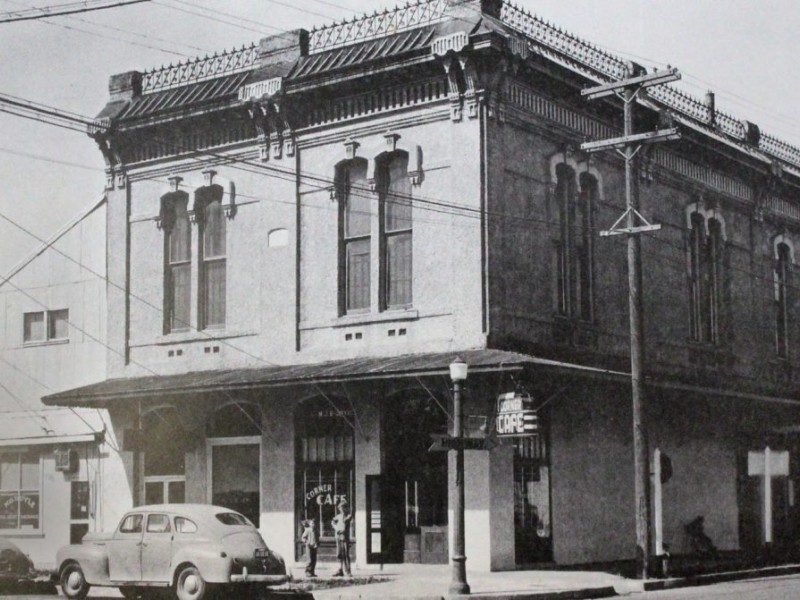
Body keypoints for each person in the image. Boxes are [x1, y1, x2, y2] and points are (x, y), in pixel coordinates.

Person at [331, 498, 352, 577]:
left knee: (345, 554)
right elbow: (332, 521)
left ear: (346, 508)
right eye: (340, 508)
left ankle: (348, 571)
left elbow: (345, 521)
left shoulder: (348, 516)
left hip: (345, 538)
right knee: (339, 554)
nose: (341, 509)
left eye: (343, 508)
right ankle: (340, 570)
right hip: (338, 537)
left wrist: (343, 516)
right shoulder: (338, 516)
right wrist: (335, 527)